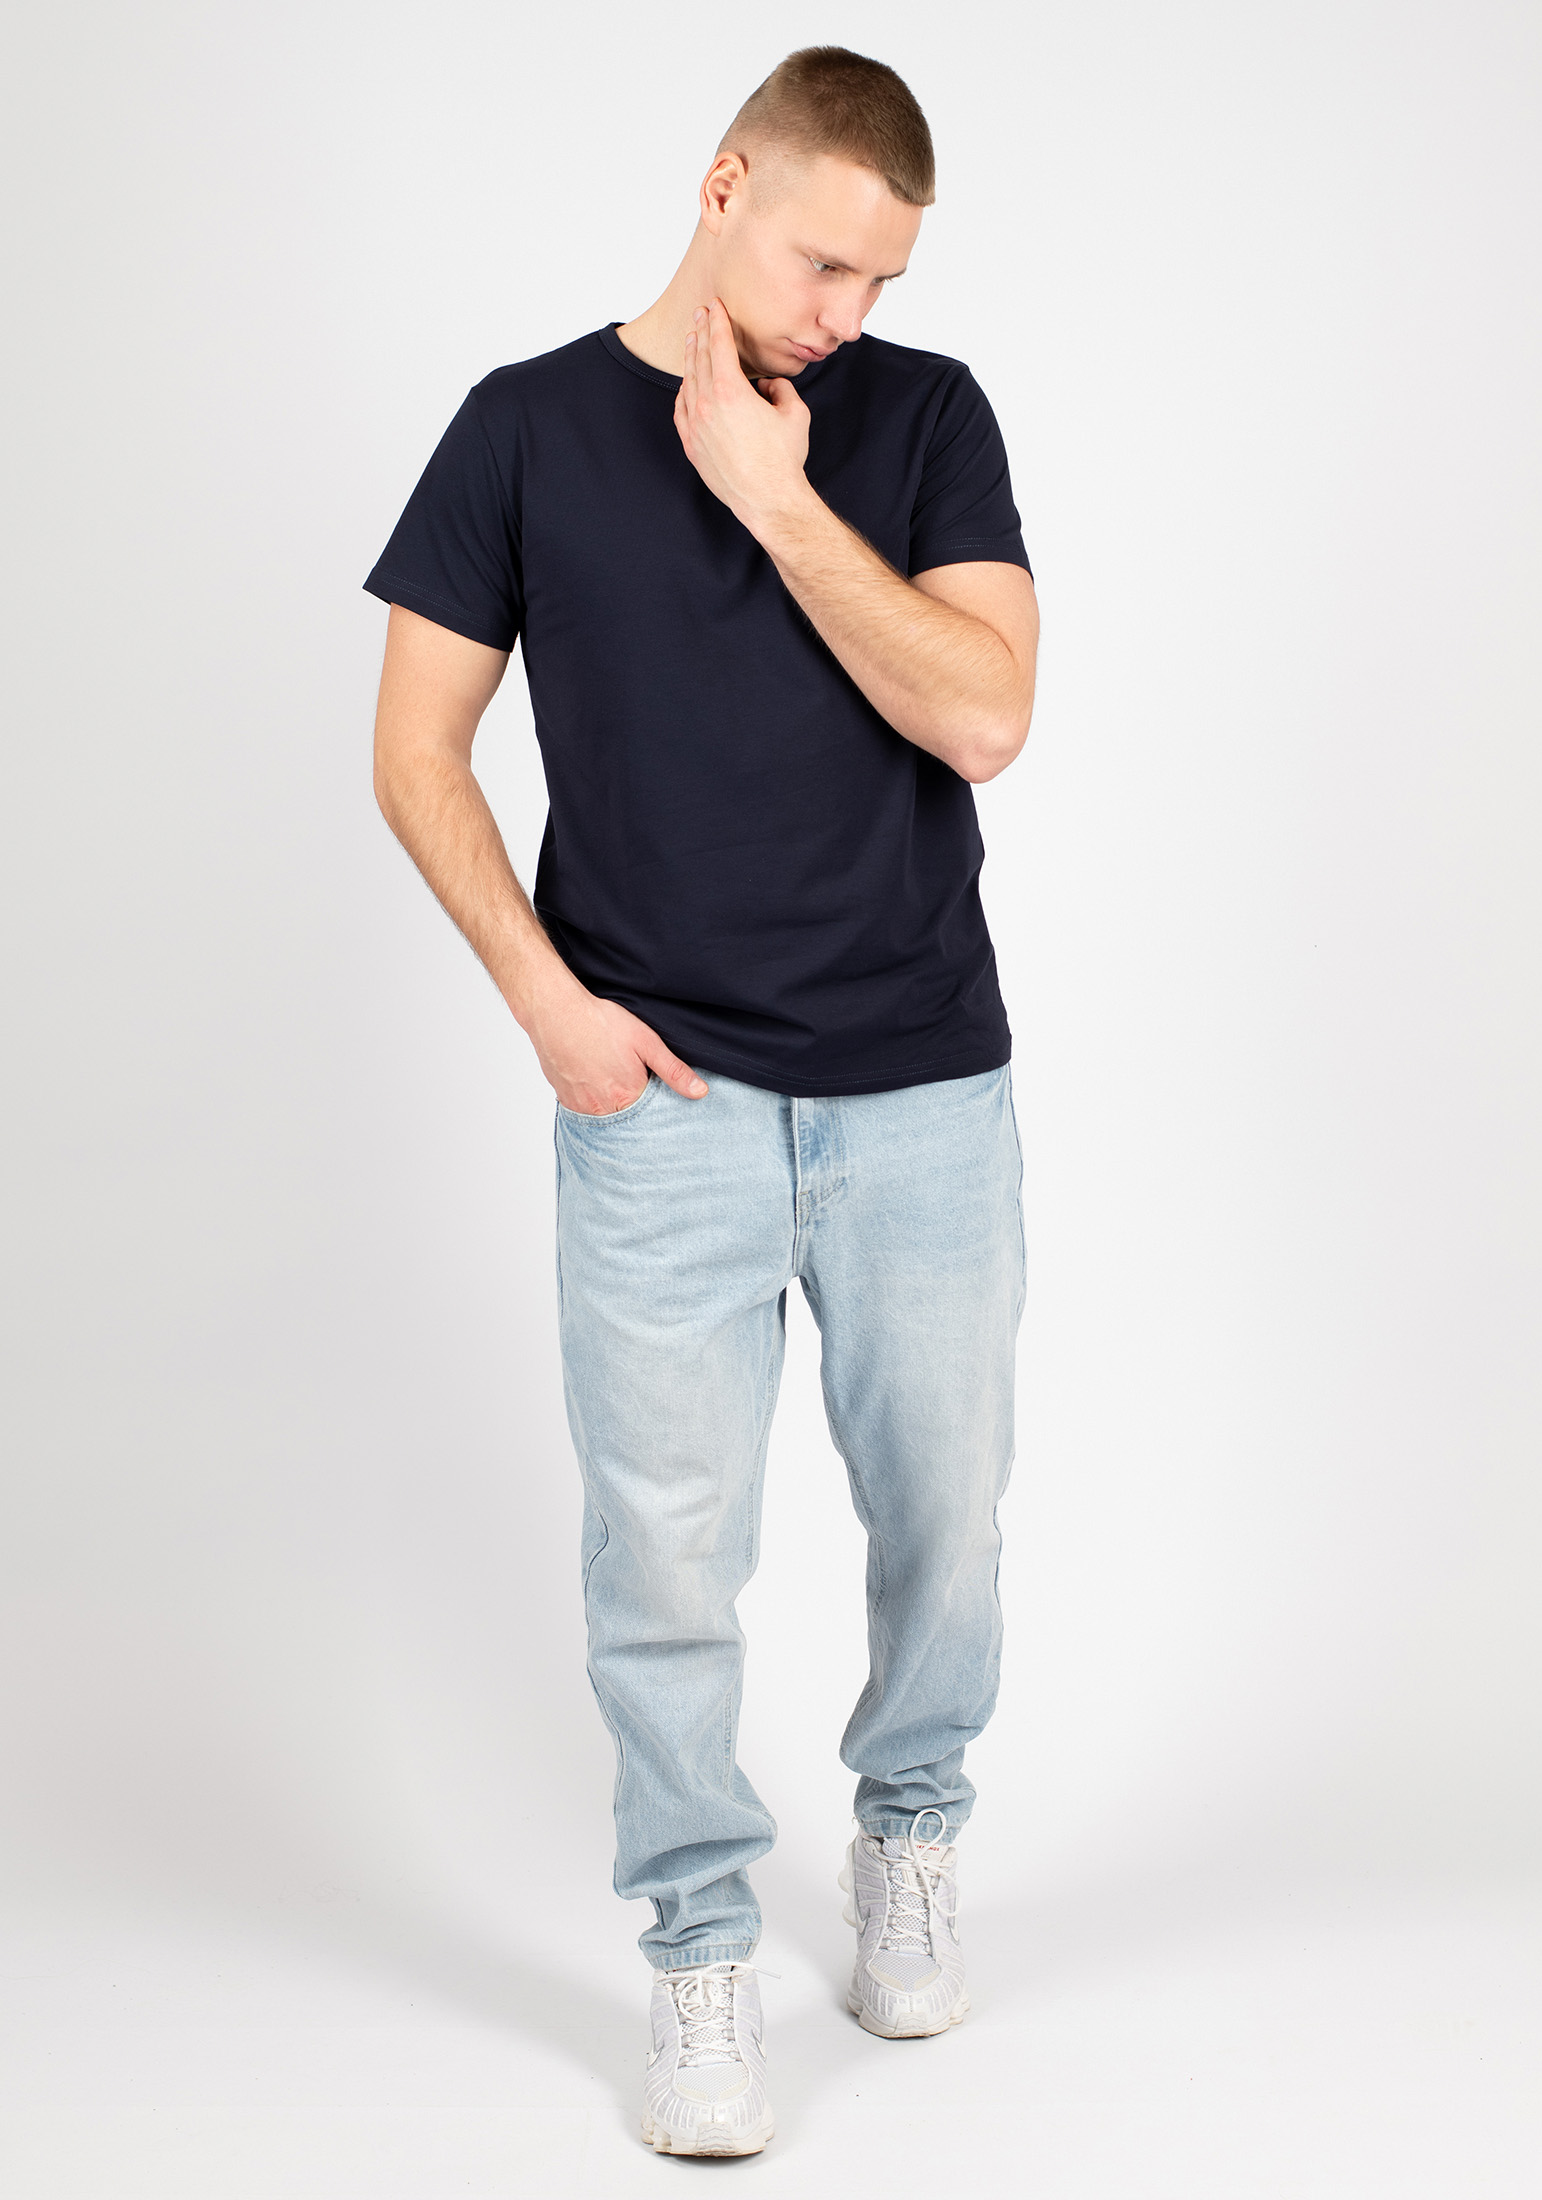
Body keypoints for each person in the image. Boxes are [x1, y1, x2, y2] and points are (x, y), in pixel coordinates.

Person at [366, 44, 1038, 2158]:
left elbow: (985, 715)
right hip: (656, 1100)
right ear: (724, 183)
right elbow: (413, 748)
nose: (850, 309)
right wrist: (545, 1004)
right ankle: (697, 1944)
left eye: (884, 275)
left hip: (922, 1089)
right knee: (662, 1560)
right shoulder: (524, 428)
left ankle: (908, 1832)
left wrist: (773, 495)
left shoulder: (922, 421)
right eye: (825, 259)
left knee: (946, 1519)